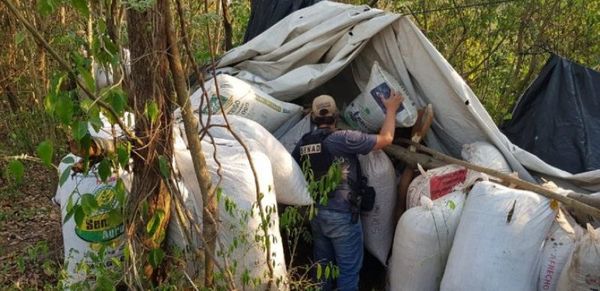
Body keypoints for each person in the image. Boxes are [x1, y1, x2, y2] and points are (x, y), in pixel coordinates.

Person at [292, 92, 404, 291]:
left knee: (323, 267)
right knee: (348, 273)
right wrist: (391, 109)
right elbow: (386, 138)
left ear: (313, 118)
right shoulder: (343, 139)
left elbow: (294, 171)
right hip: (342, 216)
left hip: (316, 214)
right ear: (337, 116)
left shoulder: (303, 143)